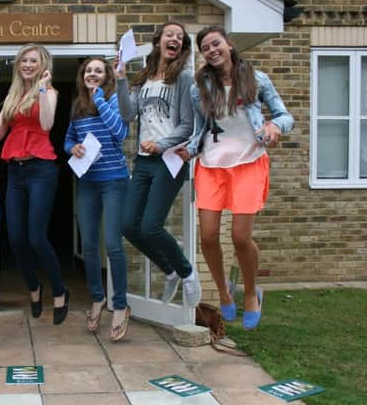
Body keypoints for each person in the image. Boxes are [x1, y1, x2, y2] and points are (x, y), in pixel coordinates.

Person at [177, 26, 294, 330]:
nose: (212, 50)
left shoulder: (256, 79)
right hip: (212, 166)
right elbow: (199, 128)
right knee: (208, 236)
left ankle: (252, 292)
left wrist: (275, 127)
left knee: (240, 237)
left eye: (216, 43)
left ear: (229, 45)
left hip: (248, 164)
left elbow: (285, 115)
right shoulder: (198, 87)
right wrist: (189, 149)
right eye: (205, 47)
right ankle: (224, 292)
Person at [115, 21, 201, 309]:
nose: (174, 39)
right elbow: (128, 115)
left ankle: (187, 273)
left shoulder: (185, 79)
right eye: (169, 35)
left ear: (182, 47)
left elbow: (189, 125)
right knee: (128, 225)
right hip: (143, 162)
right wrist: (120, 80)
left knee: (151, 225)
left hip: (170, 160)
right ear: (159, 41)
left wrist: (162, 144)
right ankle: (171, 269)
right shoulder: (145, 77)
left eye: (180, 37)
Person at [0, 44, 69, 325]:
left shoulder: (50, 92)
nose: (27, 65)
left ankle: (59, 289)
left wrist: (43, 89)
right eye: (23, 60)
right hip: (15, 171)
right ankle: (34, 287)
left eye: (33, 61)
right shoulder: (13, 95)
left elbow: (45, 125)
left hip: (41, 168)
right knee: (16, 238)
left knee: (36, 237)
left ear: (42, 65)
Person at [63, 57, 131, 341]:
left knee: (113, 245)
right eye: (88, 70)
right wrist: (74, 147)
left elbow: (120, 132)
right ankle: (97, 298)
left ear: (106, 77)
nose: (92, 73)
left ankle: (120, 305)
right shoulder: (78, 107)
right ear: (83, 75)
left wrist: (100, 100)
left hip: (114, 181)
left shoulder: (112, 101)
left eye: (98, 71)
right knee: (89, 245)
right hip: (88, 182)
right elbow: (67, 140)